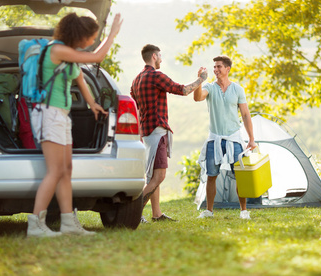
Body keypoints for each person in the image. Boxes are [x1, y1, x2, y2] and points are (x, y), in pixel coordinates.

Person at [27, 12, 123, 237]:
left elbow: (79, 79)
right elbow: (97, 58)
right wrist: (112, 35)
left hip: (61, 116)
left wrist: (92, 104)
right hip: (49, 114)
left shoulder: (69, 55)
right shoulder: (57, 50)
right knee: (56, 170)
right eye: (91, 38)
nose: (92, 42)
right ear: (80, 36)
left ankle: (68, 223)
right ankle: (35, 225)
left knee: (66, 170)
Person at [130, 44, 208, 223]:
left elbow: (136, 106)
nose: (161, 60)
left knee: (152, 176)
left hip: (147, 133)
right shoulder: (156, 75)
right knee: (159, 176)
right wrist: (200, 79)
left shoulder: (136, 80)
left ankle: (156, 214)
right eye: (160, 56)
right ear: (155, 57)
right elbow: (182, 90)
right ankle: (133, 213)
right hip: (158, 130)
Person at [194, 55, 256, 219]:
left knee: (240, 176)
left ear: (227, 69)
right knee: (211, 175)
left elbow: (245, 114)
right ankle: (209, 211)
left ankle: (243, 211)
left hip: (234, 138)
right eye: (214, 67)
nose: (215, 70)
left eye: (219, 66)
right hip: (214, 139)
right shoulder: (210, 88)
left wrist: (251, 139)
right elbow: (197, 97)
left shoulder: (237, 89)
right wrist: (199, 80)